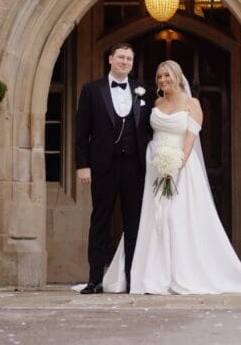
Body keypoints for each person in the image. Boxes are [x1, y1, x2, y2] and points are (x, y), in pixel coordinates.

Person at [102, 60, 241, 294]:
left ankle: (179, 274)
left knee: (175, 218)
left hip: (181, 167)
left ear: (177, 76)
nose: (162, 80)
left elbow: (190, 140)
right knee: (151, 219)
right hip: (154, 166)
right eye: (159, 76)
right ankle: (148, 275)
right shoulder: (156, 102)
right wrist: (156, 163)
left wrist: (174, 167)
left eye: (167, 75)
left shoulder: (192, 104)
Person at [74, 42, 151, 294]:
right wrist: (83, 165)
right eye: (120, 57)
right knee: (100, 221)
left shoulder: (142, 90)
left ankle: (130, 278)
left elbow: (151, 126)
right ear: (110, 59)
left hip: (134, 166)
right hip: (103, 166)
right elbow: (81, 131)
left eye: (129, 58)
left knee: (133, 223)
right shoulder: (91, 90)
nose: (125, 62)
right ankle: (95, 279)